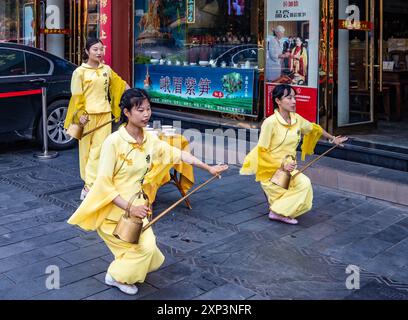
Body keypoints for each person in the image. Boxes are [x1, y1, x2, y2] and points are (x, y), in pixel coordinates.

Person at [67, 88, 228, 295]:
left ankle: (124, 269)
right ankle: (116, 275)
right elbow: (104, 184)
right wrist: (130, 207)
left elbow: (178, 154)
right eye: (140, 110)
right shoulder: (113, 142)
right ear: (126, 112)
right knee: (144, 250)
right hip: (113, 210)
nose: (146, 114)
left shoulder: (149, 140)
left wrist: (209, 168)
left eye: (148, 109)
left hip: (138, 208)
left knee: (150, 254)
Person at [240, 84, 348, 224]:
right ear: (278, 101)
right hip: (271, 169)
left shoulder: (296, 119)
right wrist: (281, 165)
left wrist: (333, 138)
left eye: (294, 97)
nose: (294, 101)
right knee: (287, 191)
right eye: (289, 98)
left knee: (304, 184)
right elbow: (262, 150)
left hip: (288, 168)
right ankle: (277, 210)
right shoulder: (270, 123)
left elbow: (314, 128)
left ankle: (277, 210)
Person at [64, 38, 130, 200]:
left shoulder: (106, 69)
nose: (99, 52)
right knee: (86, 152)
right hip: (86, 117)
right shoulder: (79, 72)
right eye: (95, 49)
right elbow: (77, 95)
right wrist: (81, 115)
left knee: (99, 150)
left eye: (101, 49)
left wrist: (135, 94)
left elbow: (119, 84)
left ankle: (90, 186)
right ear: (87, 51)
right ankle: (89, 183)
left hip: (104, 114)